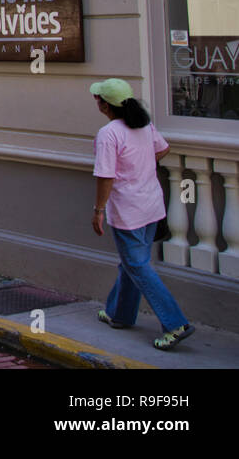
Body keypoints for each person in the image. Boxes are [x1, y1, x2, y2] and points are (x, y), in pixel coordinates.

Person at [89, 78, 194, 351]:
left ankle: (175, 323)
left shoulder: (109, 133)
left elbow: (105, 176)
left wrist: (98, 210)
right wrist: (142, 163)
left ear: (105, 105)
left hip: (128, 211)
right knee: (131, 263)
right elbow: (164, 148)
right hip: (152, 205)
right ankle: (119, 314)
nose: (96, 101)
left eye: (97, 98)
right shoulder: (144, 126)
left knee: (137, 265)